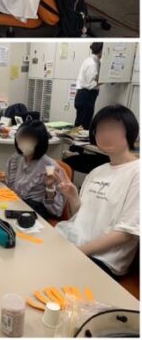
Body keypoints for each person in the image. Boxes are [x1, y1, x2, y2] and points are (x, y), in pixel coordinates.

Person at [56, 105, 139, 279]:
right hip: (75, 244)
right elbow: (80, 215)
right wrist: (72, 197)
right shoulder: (97, 172)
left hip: (103, 260)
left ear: (130, 131)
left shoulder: (136, 173)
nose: (105, 135)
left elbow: (126, 233)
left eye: (113, 128)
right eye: (100, 130)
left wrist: (77, 252)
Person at [0, 121, 66, 219]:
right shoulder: (16, 159)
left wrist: (50, 187)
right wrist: (4, 180)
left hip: (34, 211)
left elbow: (56, 211)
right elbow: (13, 190)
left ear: (40, 142)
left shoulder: (50, 167)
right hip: (15, 204)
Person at [74, 43, 103, 129]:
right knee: (83, 126)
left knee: (82, 124)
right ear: (101, 51)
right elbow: (90, 84)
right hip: (86, 95)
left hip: (85, 95)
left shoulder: (92, 60)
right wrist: (104, 81)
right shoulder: (92, 63)